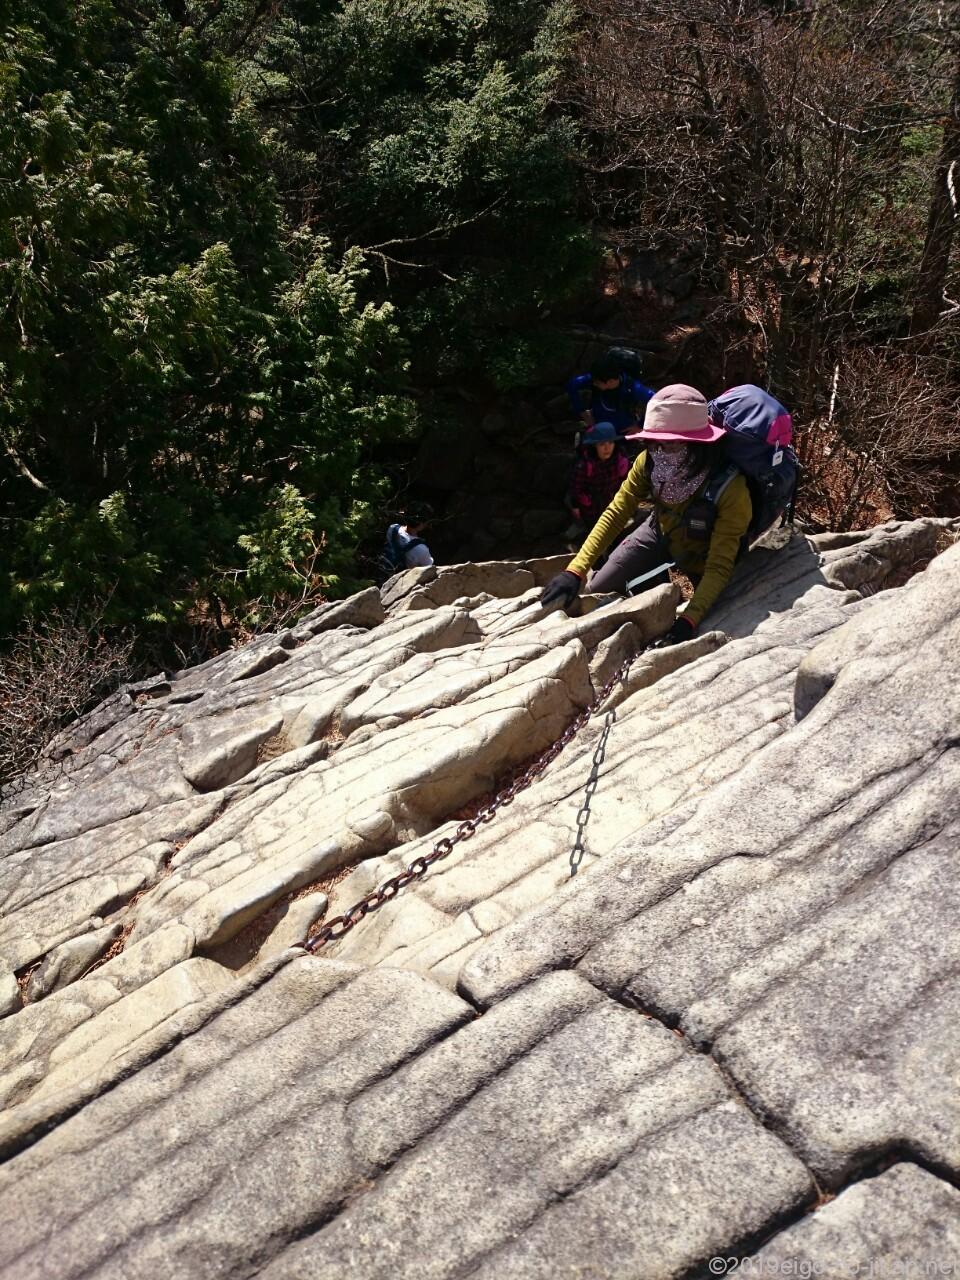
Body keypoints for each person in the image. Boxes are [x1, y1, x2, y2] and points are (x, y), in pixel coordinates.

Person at [541, 384, 752, 644]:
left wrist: (689, 619)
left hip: (703, 555)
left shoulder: (731, 489)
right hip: (659, 529)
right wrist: (575, 570)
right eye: (653, 442)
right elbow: (617, 511)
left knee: (699, 611)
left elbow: (719, 565)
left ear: (697, 443)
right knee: (597, 589)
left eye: (669, 444)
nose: (659, 452)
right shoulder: (648, 462)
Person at [567, 355, 655, 434]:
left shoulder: (632, 387)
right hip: (598, 428)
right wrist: (582, 411)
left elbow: (655, 400)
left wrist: (640, 426)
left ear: (610, 381)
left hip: (623, 432)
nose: (594, 384)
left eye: (597, 383)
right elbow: (572, 384)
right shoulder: (599, 377)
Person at [569, 422, 631, 533]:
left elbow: (625, 482)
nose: (607, 448)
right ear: (594, 446)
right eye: (602, 444)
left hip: (612, 501)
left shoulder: (620, 460)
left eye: (610, 443)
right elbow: (576, 488)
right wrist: (576, 506)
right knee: (594, 530)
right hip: (591, 505)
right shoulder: (584, 465)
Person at [380, 504, 435, 578]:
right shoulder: (421, 549)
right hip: (403, 579)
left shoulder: (392, 528)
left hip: (385, 567)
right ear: (421, 524)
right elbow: (429, 570)